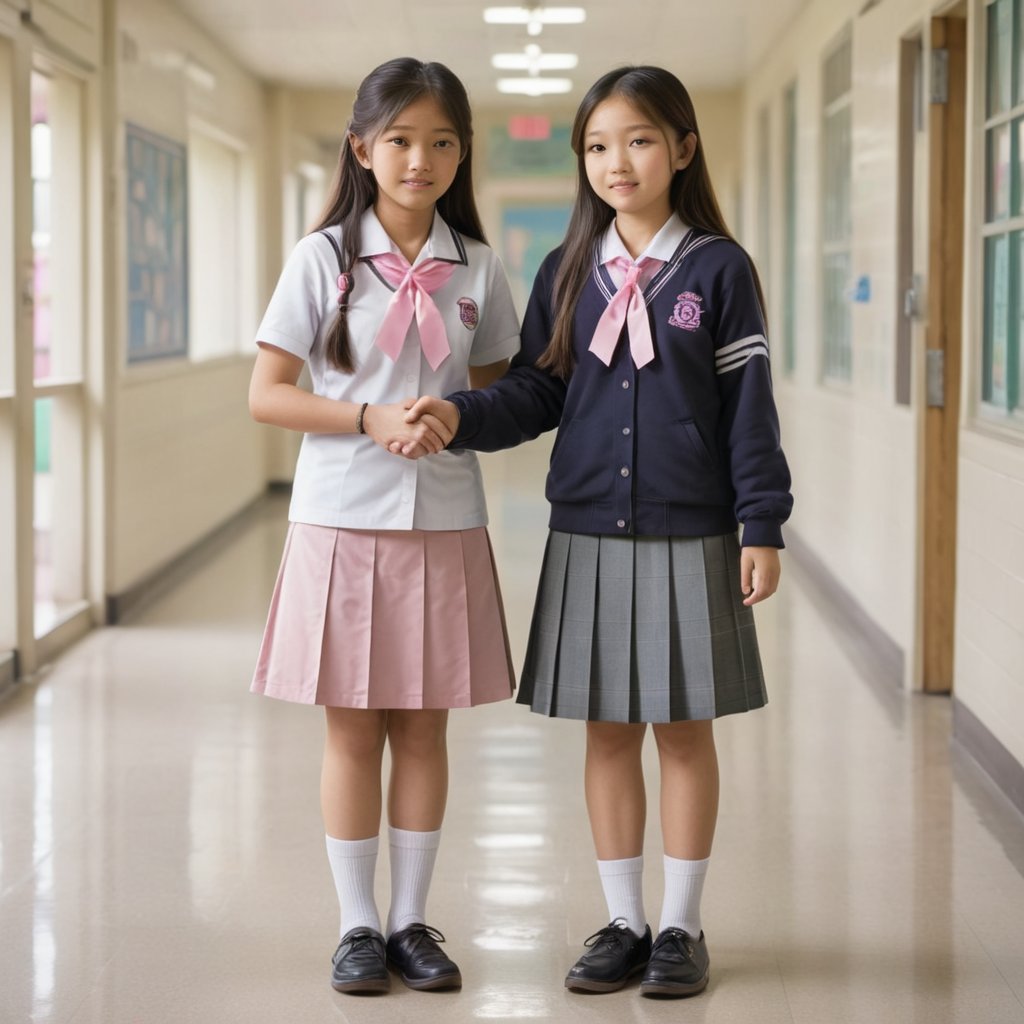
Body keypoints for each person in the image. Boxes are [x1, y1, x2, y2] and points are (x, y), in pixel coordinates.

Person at [401, 65, 792, 999]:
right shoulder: (569, 270)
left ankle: (682, 930)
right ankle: (624, 921)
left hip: (692, 527)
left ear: (684, 149)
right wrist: (462, 413)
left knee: (685, 732)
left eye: (641, 139)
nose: (618, 161)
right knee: (609, 734)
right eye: (599, 145)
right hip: (587, 527)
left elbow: (749, 409)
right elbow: (540, 390)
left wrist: (761, 522)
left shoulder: (717, 269)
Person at [247, 57, 520, 996]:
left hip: (445, 517)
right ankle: (356, 924)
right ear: (361, 148)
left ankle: (412, 921)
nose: (421, 158)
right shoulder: (321, 257)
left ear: (461, 153)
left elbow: (499, 387)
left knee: (426, 730)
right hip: (341, 521)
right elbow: (267, 394)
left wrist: (453, 418)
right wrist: (369, 417)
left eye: (442, 141)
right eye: (400, 139)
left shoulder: (478, 265)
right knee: (354, 734)